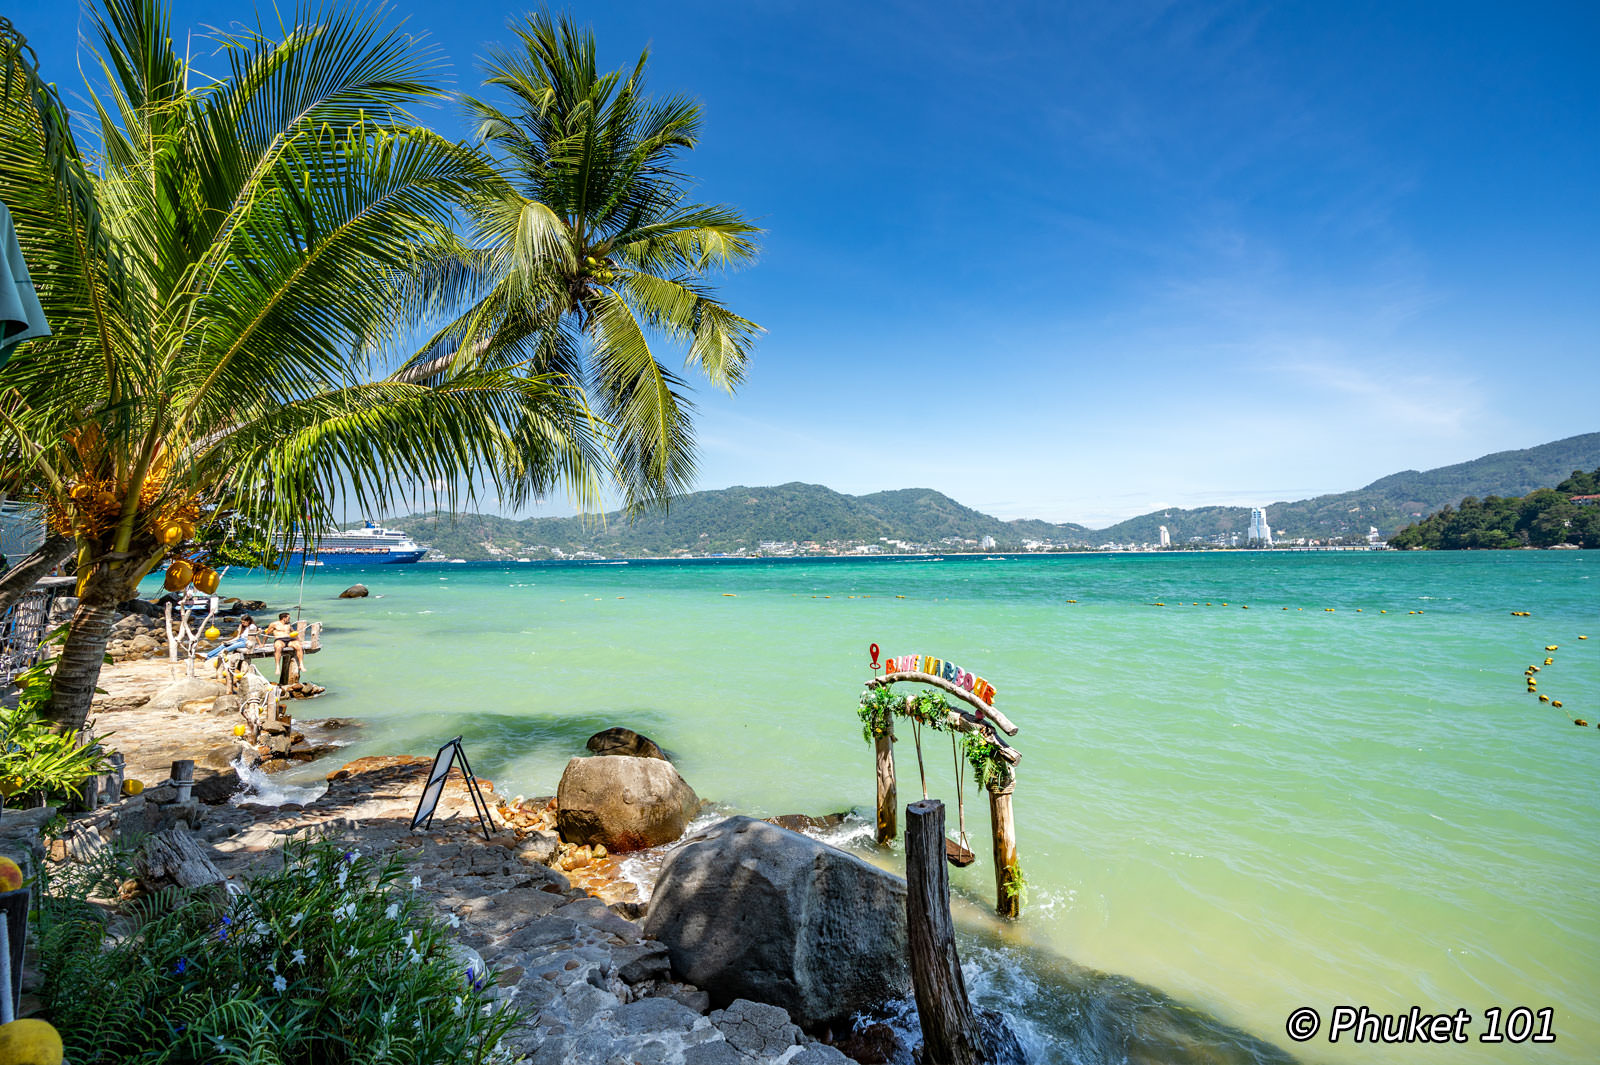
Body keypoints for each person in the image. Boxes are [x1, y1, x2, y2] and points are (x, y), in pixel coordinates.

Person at [265, 612, 305, 676]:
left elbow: (293, 632)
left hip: (289, 640)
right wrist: (262, 644)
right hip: (279, 639)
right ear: (284, 618)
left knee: (298, 646)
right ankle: (277, 667)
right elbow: (267, 634)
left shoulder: (288, 624)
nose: (289, 619)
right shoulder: (274, 624)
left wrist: (299, 641)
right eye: (288, 618)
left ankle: (301, 664)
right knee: (278, 647)